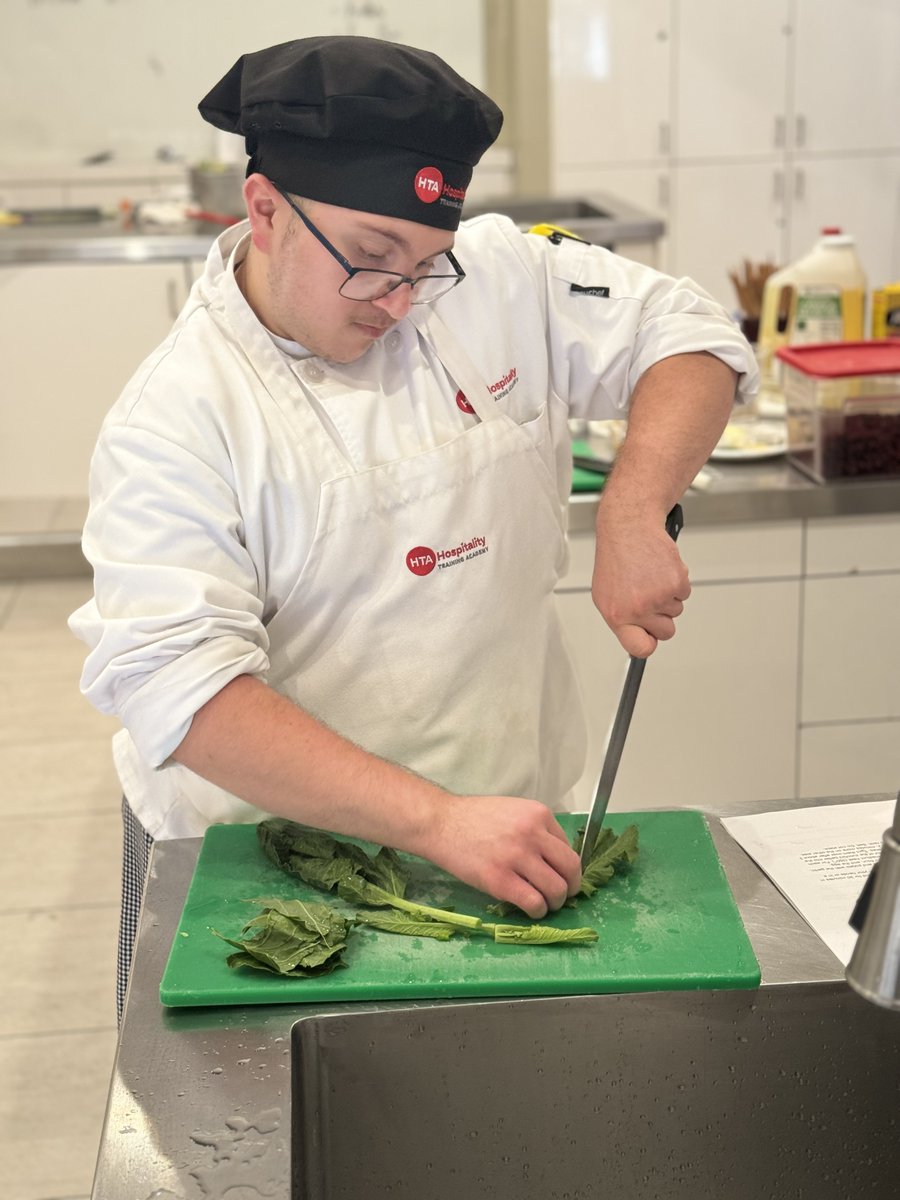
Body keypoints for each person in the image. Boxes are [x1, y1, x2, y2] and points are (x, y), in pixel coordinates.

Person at [69, 35, 758, 1018]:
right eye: (371, 260)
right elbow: (185, 693)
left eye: (428, 262)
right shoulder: (177, 419)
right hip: (273, 872)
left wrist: (635, 503)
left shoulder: (491, 275)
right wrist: (435, 823)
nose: (401, 299)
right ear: (263, 210)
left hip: (509, 831)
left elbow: (688, 338)